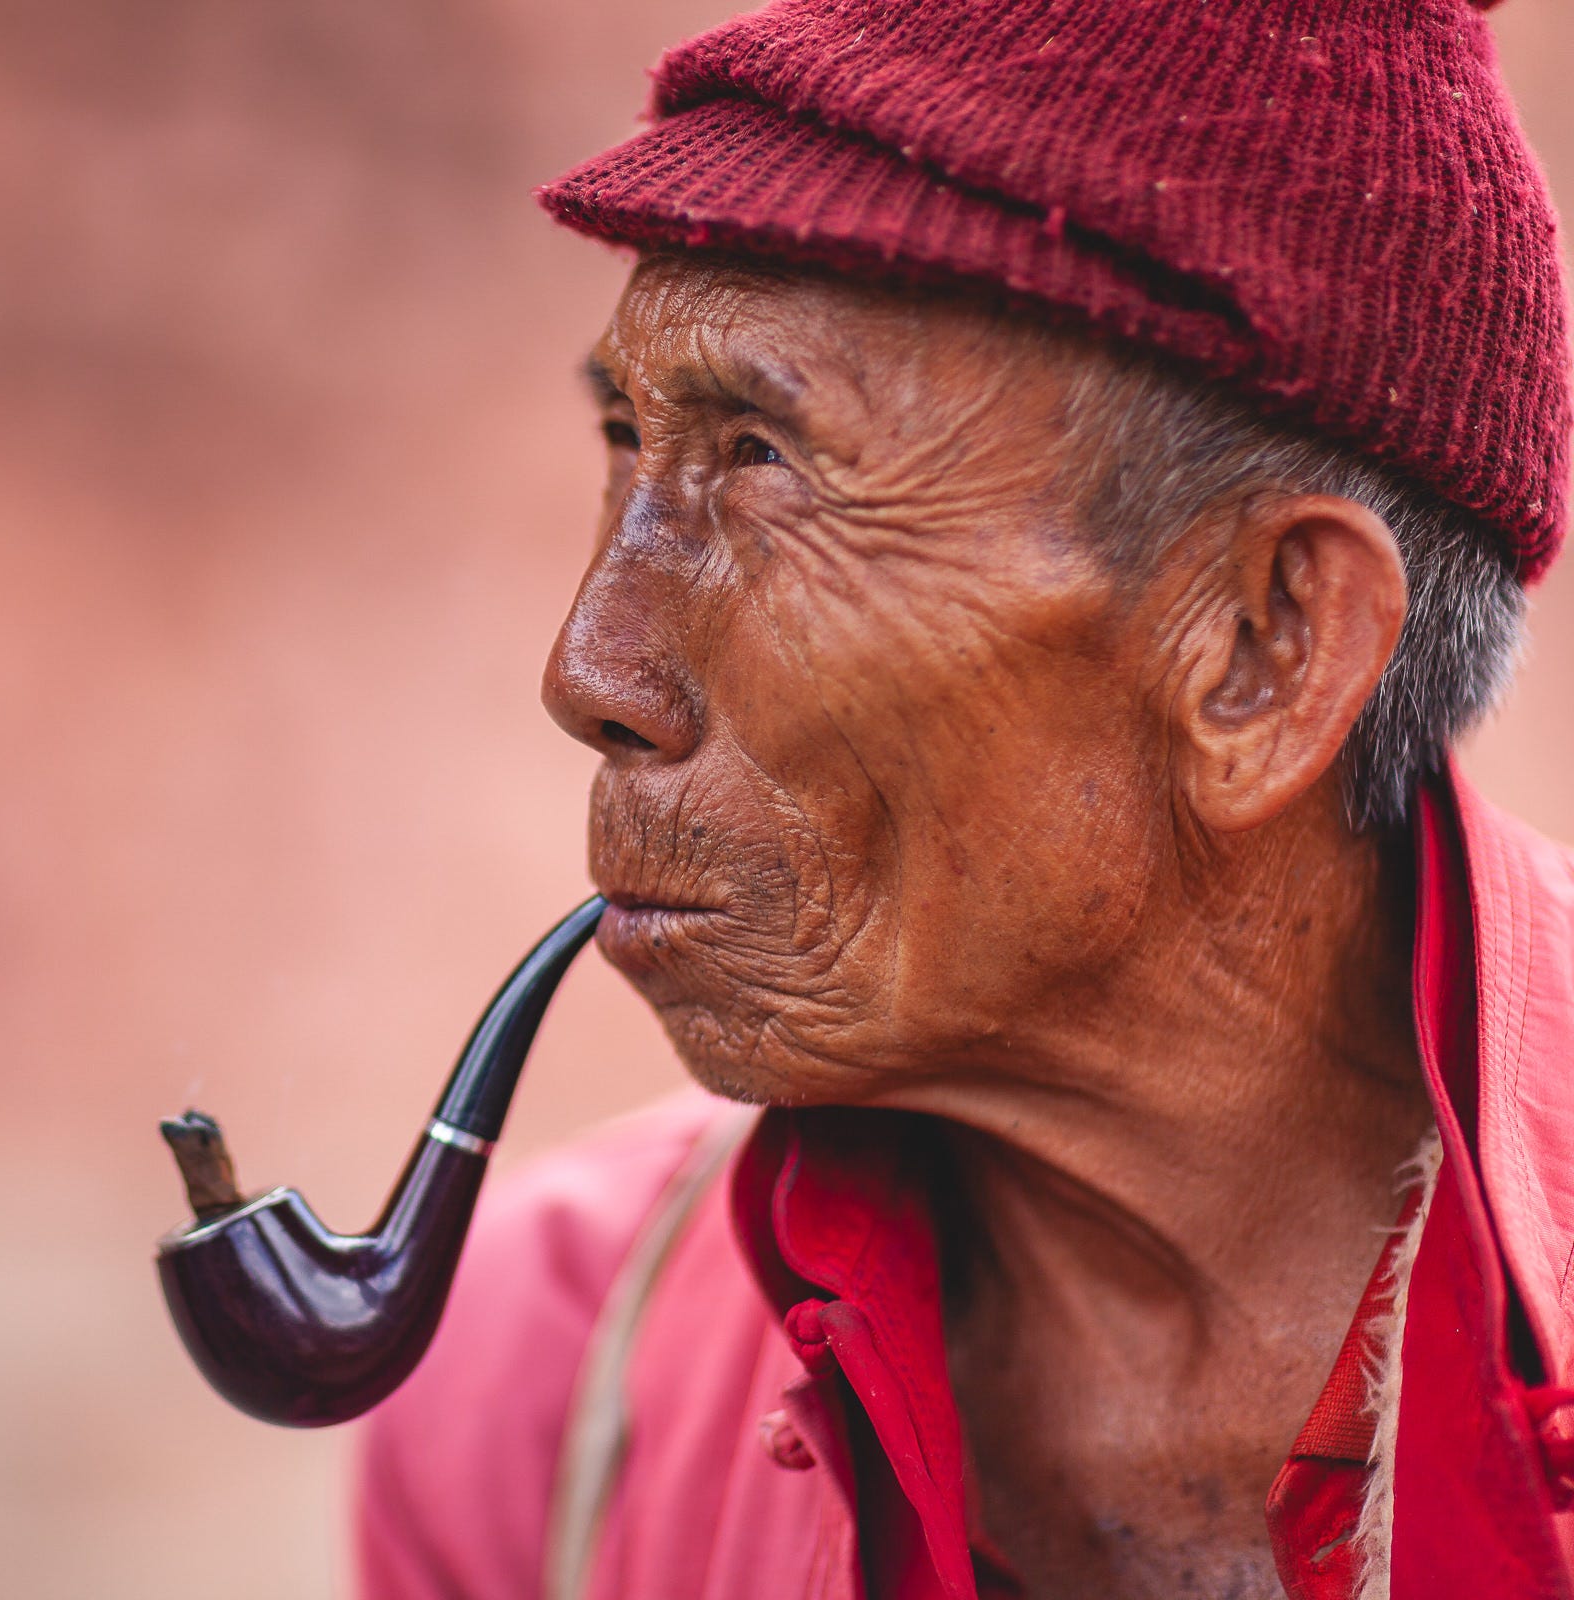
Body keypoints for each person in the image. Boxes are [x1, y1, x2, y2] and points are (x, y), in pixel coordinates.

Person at [354, 3, 1574, 1597]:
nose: (593, 669)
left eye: (763, 458)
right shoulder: (542, 1377)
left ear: (1262, 644)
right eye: (626, 437)